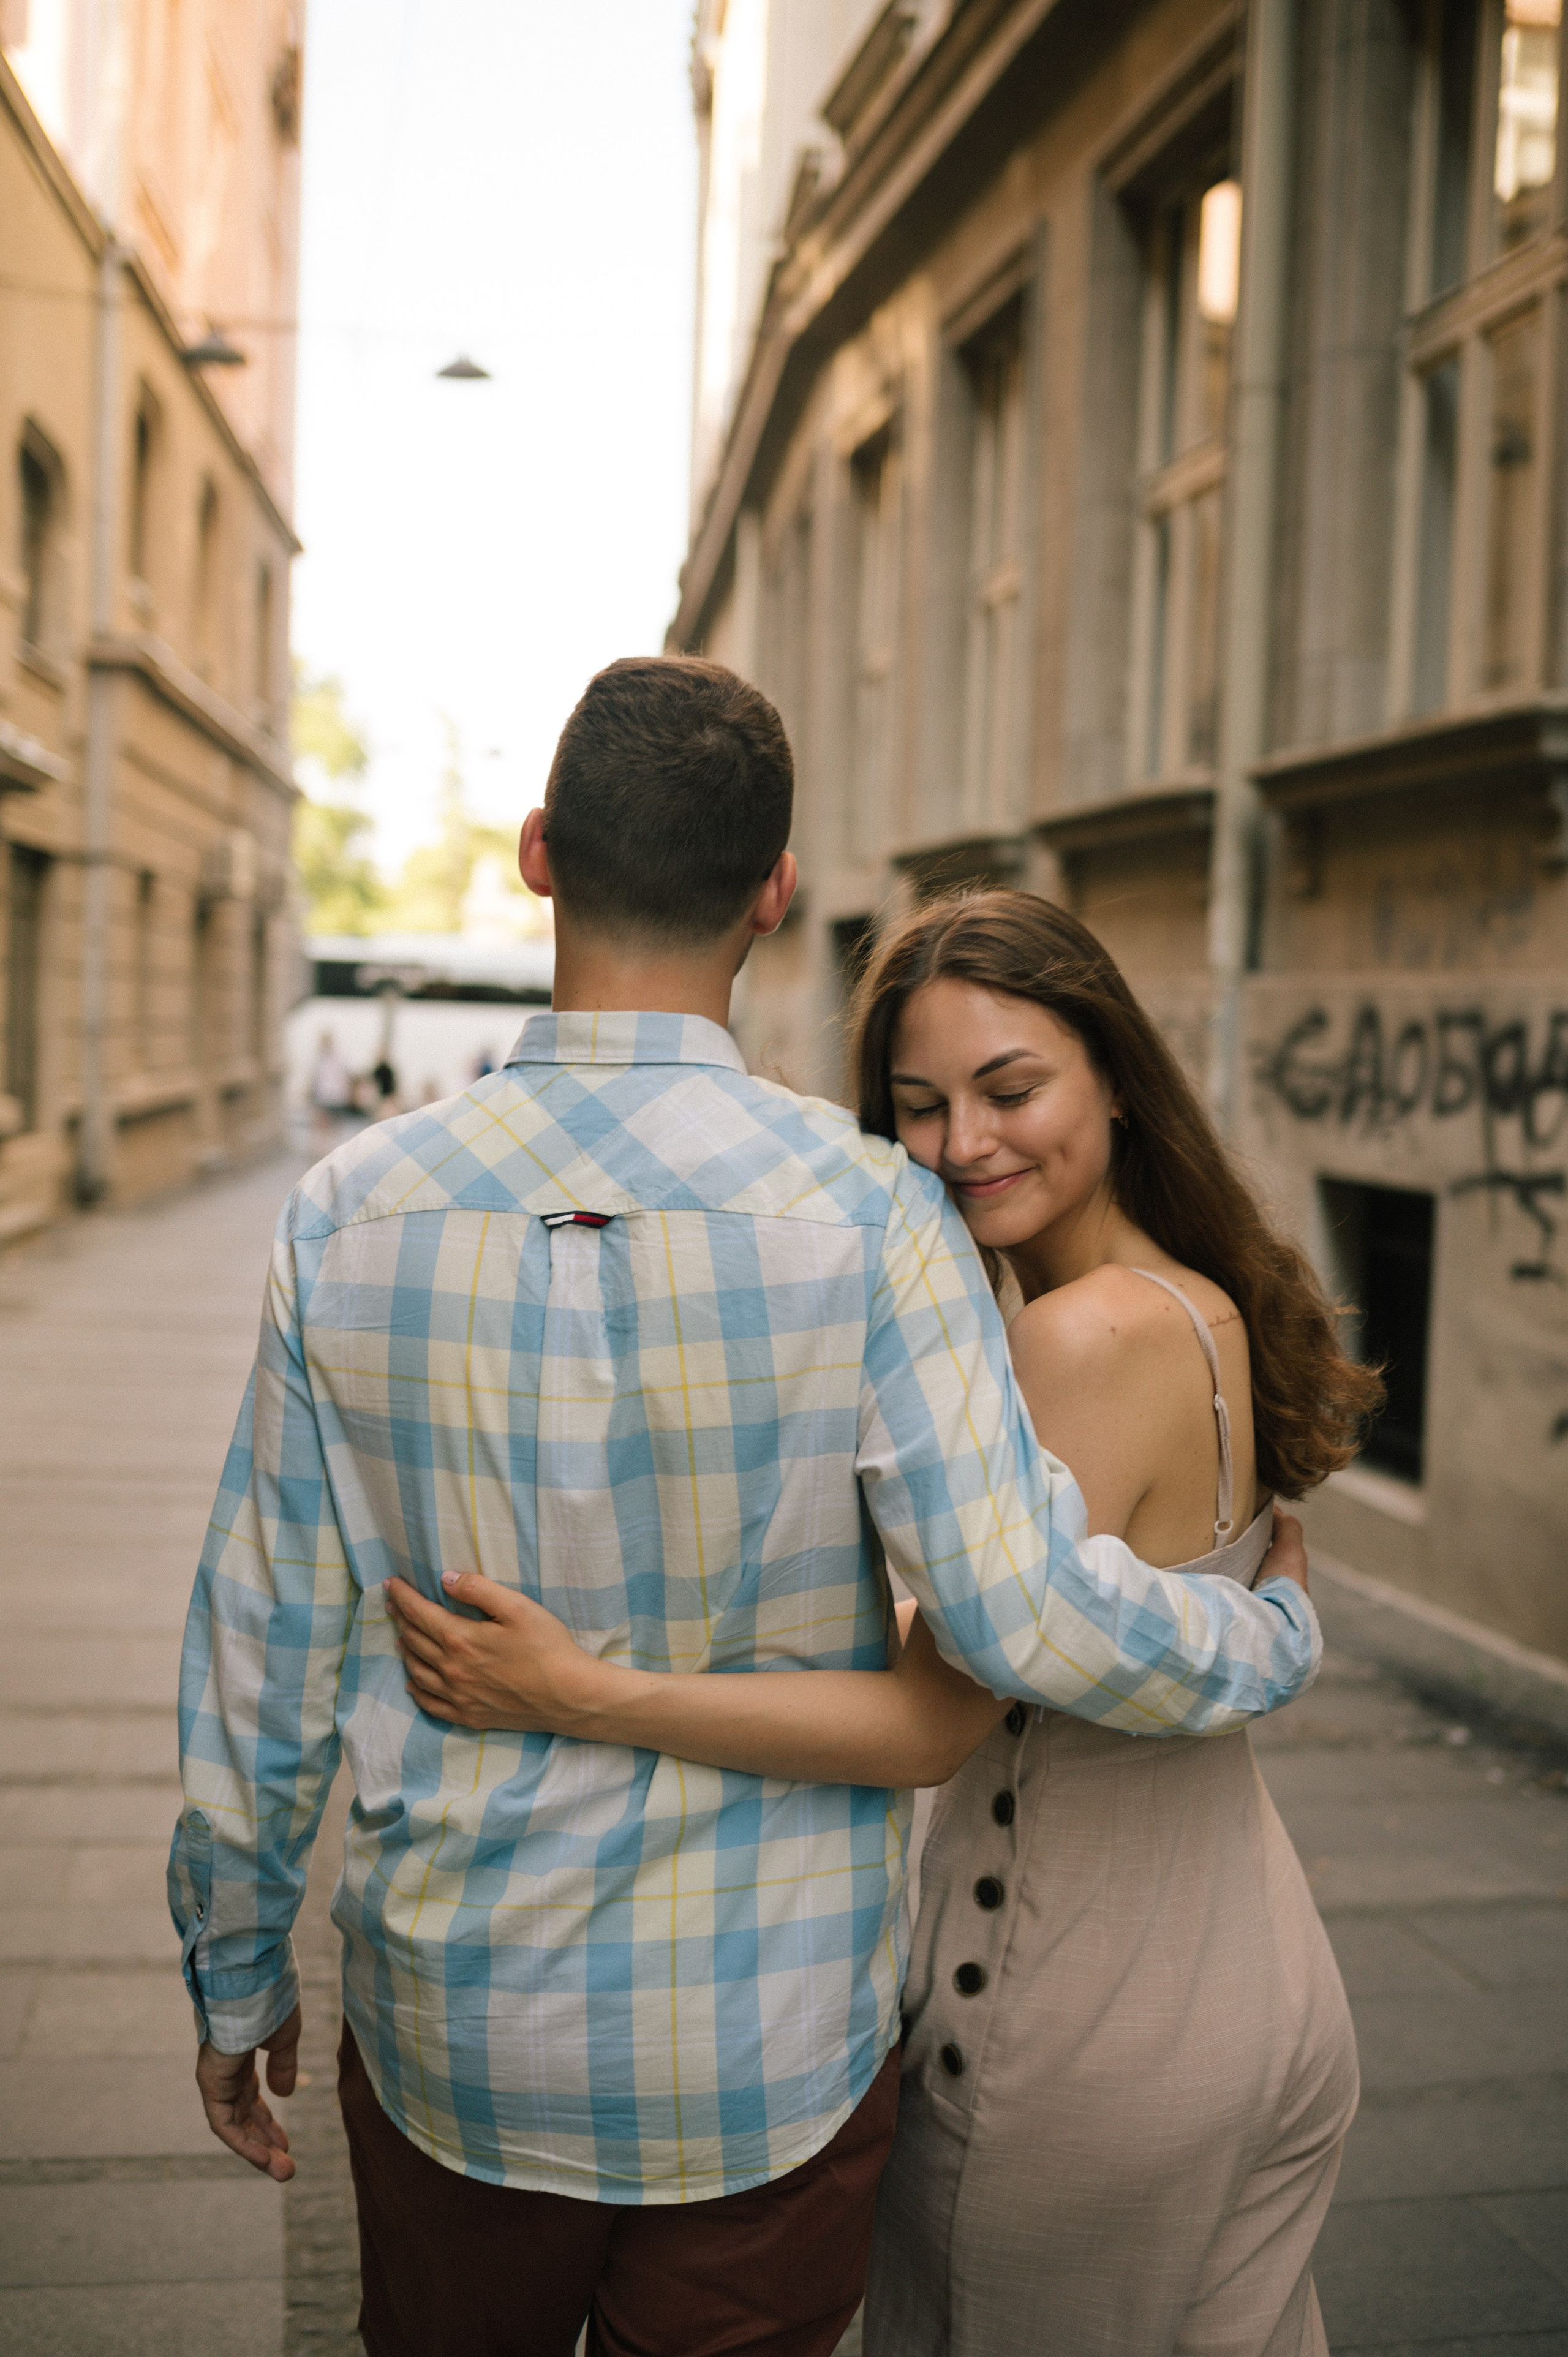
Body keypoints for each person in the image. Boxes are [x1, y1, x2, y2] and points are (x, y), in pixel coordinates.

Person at [169, 660, 1317, 2357]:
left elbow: (263, 1646)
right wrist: (1261, 1632)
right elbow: (1014, 1619)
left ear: (538, 852)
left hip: (454, 2031)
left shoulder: (348, 1215)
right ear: (775, 891)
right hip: (768, 2056)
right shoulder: (878, 1221)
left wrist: (236, 1969)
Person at [391, 889, 1376, 2357]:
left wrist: (578, 1689)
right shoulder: (1194, 1299)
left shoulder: (1072, 1333)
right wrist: (1278, 1628)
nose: (963, 1142)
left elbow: (928, 1722)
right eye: (917, 1107)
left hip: (1074, 2014)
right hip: (1250, 1974)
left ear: (1113, 1072)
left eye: (1010, 1087)